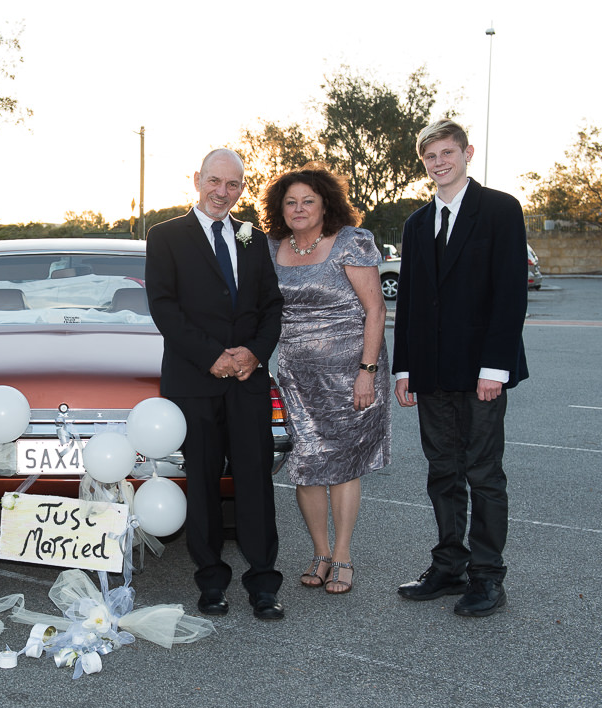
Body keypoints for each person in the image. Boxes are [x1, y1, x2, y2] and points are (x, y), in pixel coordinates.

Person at [393, 119, 528, 617]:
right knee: (442, 472)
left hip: (481, 373)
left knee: (484, 474)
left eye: (447, 152)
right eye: (431, 156)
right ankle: (449, 565)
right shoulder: (415, 224)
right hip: (430, 374)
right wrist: (403, 369)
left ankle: (488, 576)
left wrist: (495, 368)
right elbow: (408, 303)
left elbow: (511, 294)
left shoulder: (499, 210)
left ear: (467, 153)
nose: (439, 162)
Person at [146, 148, 286, 621]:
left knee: (254, 479)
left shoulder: (254, 238)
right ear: (197, 180)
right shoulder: (165, 237)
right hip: (194, 381)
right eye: (215, 181)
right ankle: (210, 581)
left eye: (233, 185)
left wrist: (253, 353)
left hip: (248, 380)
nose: (222, 193)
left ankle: (264, 581)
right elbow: (165, 308)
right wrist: (212, 357)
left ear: (241, 188)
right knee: (202, 482)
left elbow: (272, 308)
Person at [259, 165, 391, 595]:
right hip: (296, 375)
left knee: (343, 464)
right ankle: (319, 552)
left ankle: (344, 554)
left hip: (351, 373)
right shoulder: (271, 247)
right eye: (290, 202)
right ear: (280, 209)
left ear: (325, 204)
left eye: (308, 201)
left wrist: (366, 373)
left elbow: (376, 310)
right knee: (306, 466)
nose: (299, 209)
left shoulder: (350, 242)